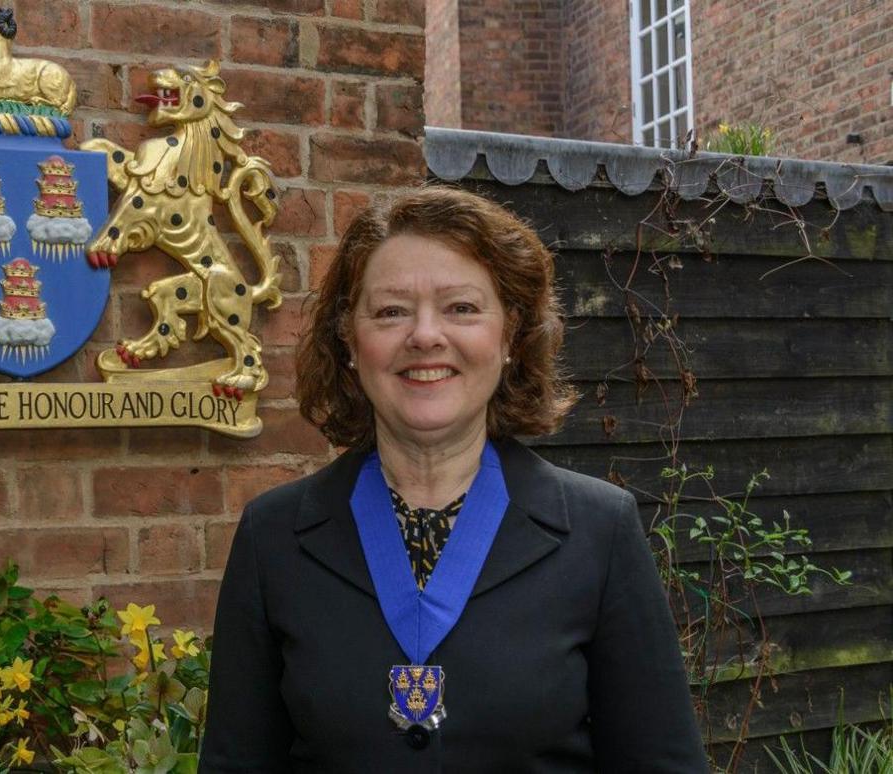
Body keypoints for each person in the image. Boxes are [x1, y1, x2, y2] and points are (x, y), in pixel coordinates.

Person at [199, 186, 706, 772]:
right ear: (349, 341)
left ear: (510, 335)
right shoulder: (274, 538)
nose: (425, 336)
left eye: (461, 308)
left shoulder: (601, 532)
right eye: (390, 311)